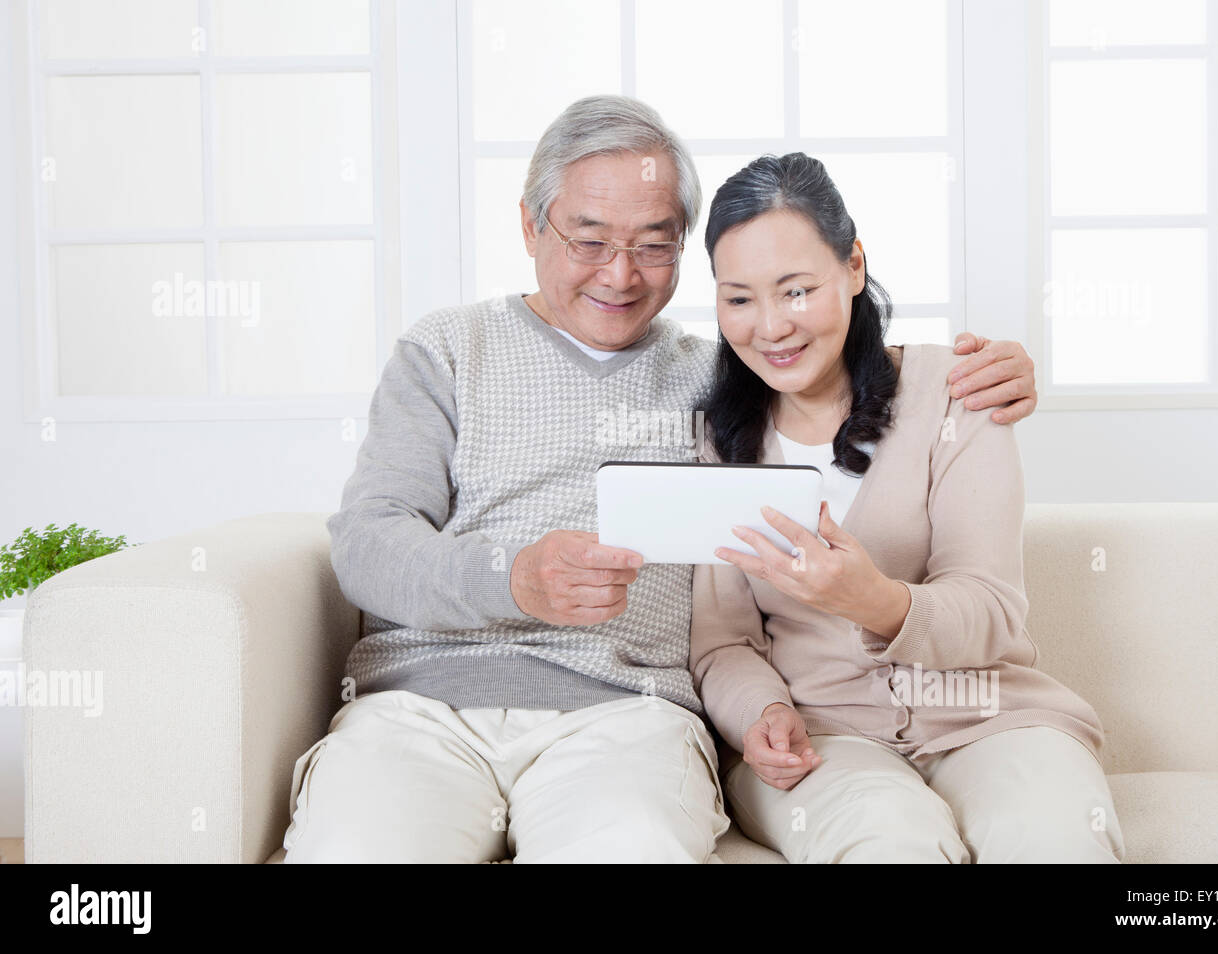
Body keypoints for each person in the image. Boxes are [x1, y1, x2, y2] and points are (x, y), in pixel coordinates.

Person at [283, 96, 1042, 863]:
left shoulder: (721, 377)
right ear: (528, 226)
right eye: (589, 240)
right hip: (421, 707)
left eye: (655, 246)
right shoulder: (447, 351)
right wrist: (513, 578)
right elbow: (367, 546)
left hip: (629, 716)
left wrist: (985, 374)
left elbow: (833, 357)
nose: (620, 275)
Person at [689, 151, 1124, 863]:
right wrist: (761, 714)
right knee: (891, 844)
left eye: (796, 290)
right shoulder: (718, 437)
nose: (770, 327)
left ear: (854, 266)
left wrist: (880, 602)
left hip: (989, 717)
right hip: (822, 737)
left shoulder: (960, 393)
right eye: (739, 298)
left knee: (1053, 837)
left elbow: (988, 606)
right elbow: (724, 640)